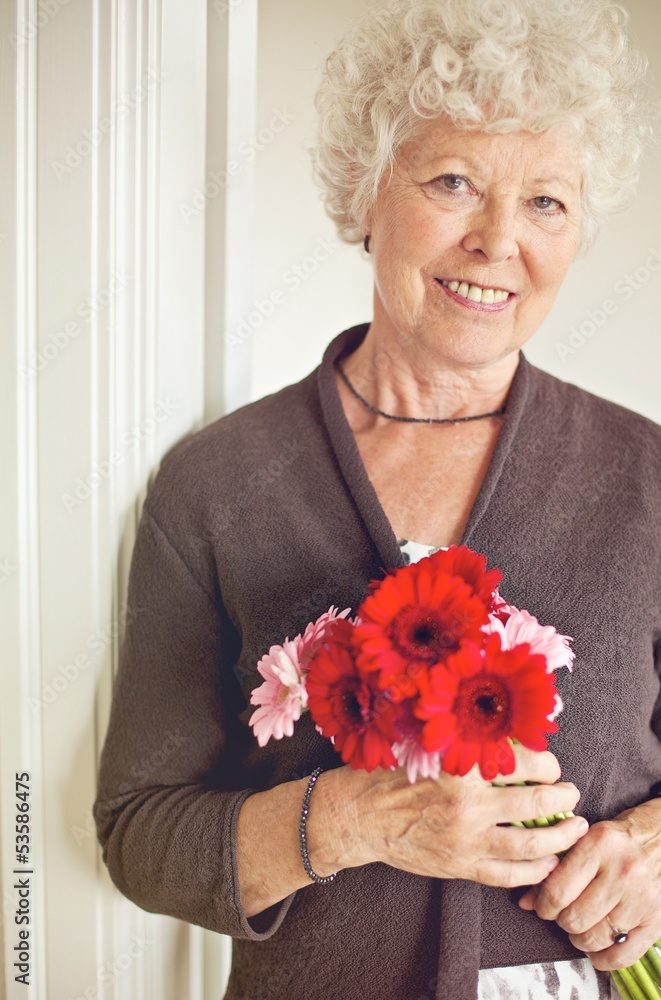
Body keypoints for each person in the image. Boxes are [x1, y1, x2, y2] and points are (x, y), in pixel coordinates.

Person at [93, 1, 661, 998]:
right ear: (365, 192)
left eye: (546, 203)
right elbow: (139, 831)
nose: (497, 241)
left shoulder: (646, 476)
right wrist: (359, 818)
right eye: (453, 181)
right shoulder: (218, 482)